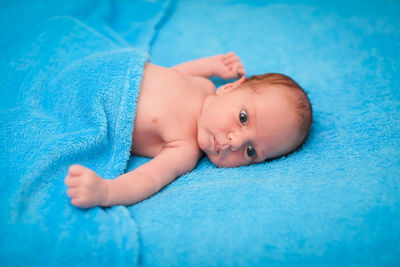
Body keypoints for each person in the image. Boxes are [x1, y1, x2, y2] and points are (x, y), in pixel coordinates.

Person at [65, 52, 312, 208]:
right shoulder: (202, 84)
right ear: (227, 88)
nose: (235, 142)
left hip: (88, 109)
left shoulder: (185, 149)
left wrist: (107, 192)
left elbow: (148, 178)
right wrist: (212, 64)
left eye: (251, 152)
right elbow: (173, 74)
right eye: (243, 118)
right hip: (107, 69)